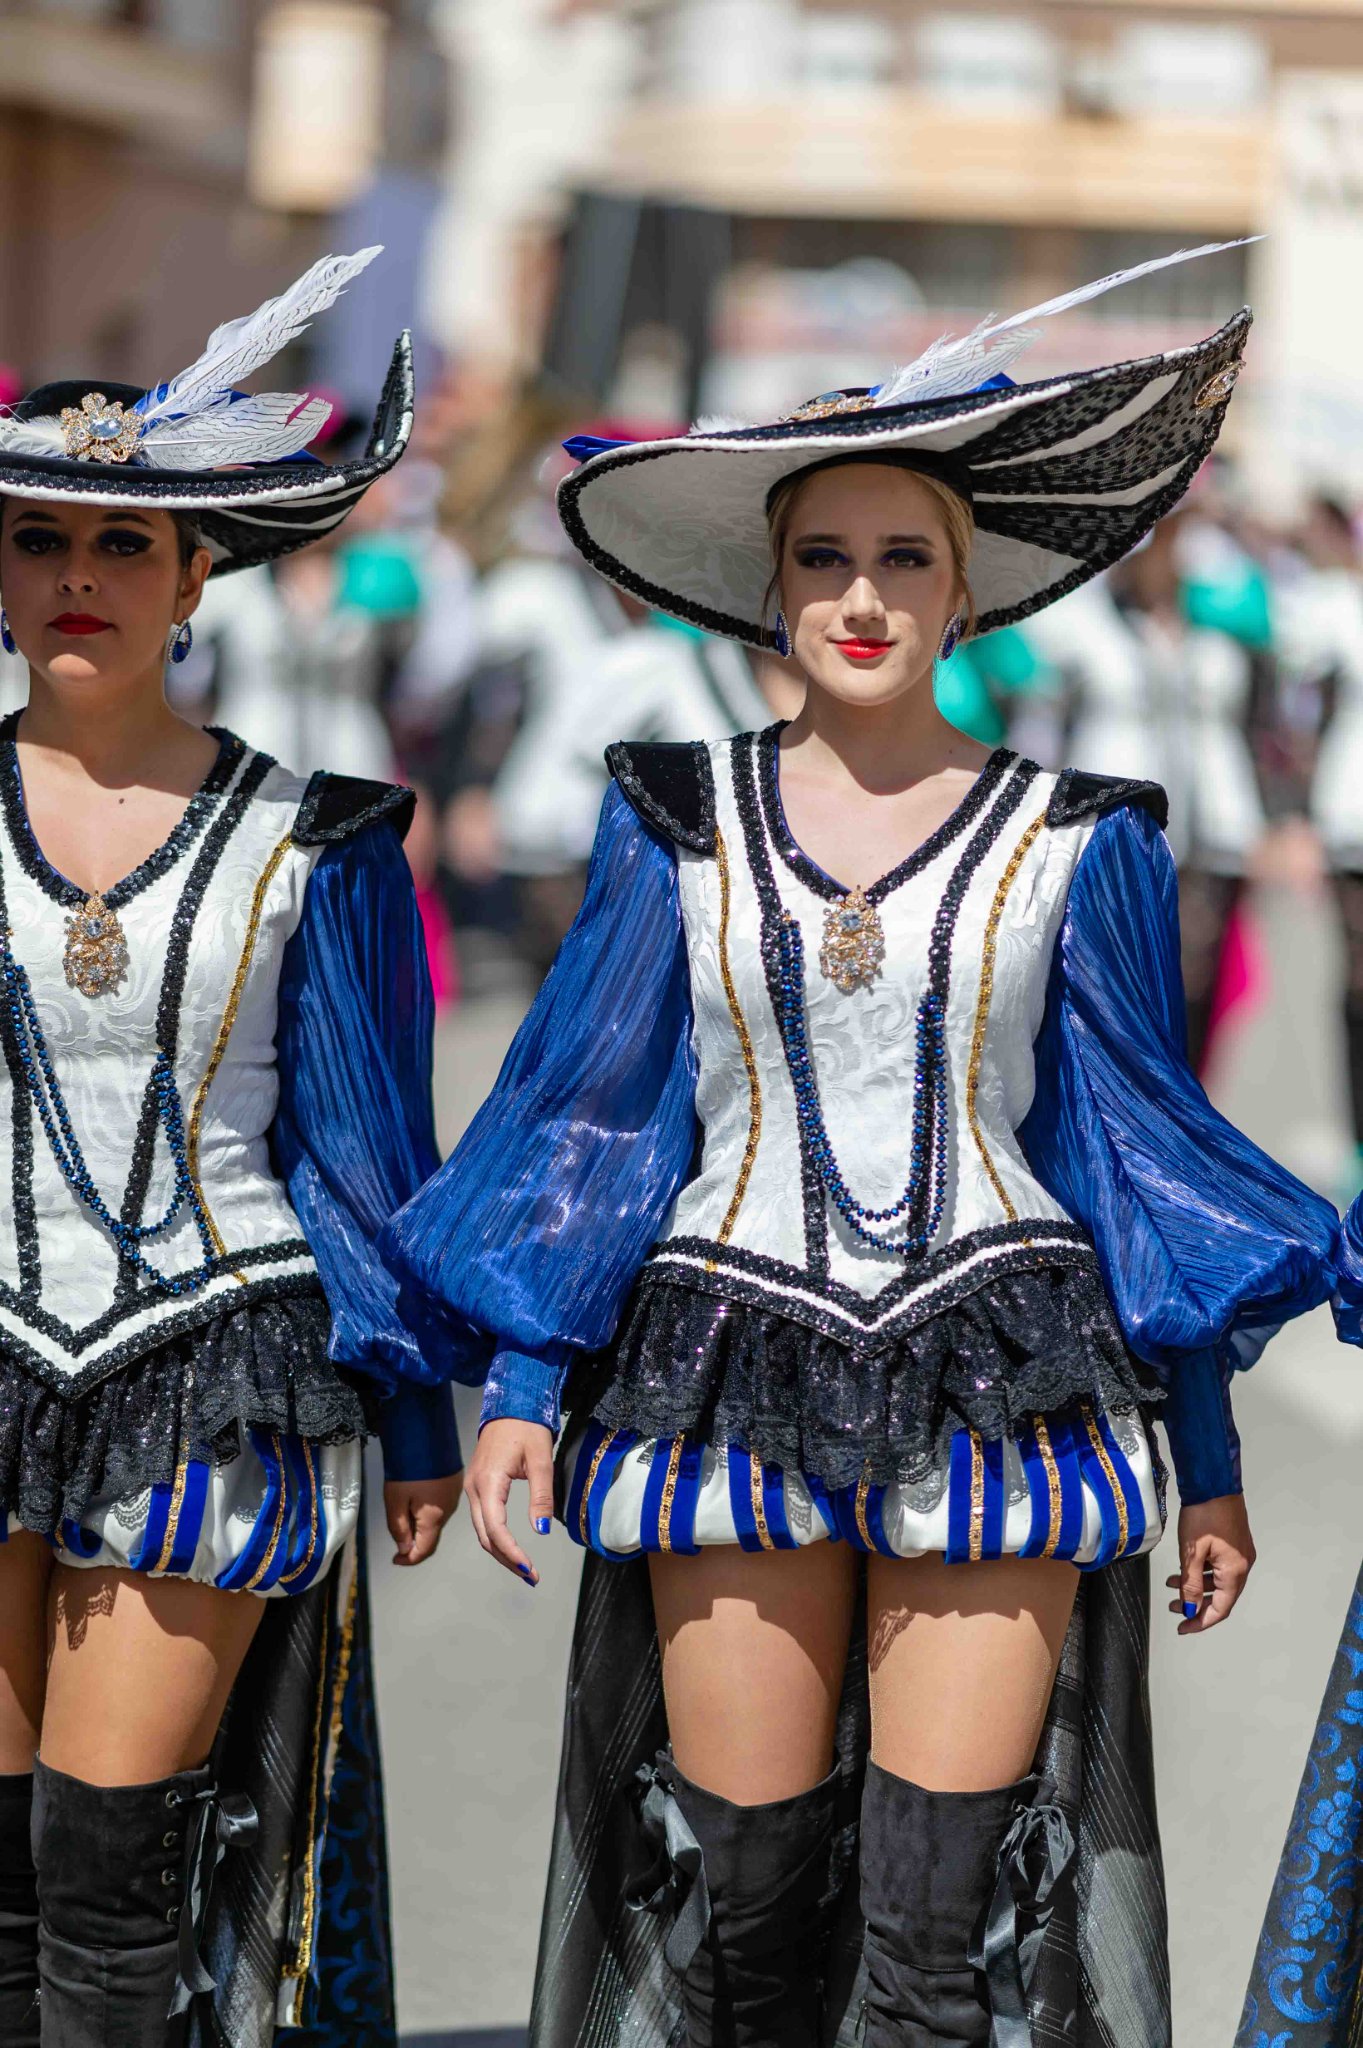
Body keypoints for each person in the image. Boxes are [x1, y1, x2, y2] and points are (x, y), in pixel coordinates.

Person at [386, 248, 1358, 2048]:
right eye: (823, 556)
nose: (860, 594)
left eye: (905, 556)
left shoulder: (1080, 835)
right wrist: (520, 1380)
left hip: (1004, 1369)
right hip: (719, 1363)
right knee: (746, 1923)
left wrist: (1208, 1450)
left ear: (967, 587)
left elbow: (1126, 1151)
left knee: (935, 1938)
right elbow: (601, 1116)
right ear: (770, 587)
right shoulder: (671, 817)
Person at [0, 249, 462, 2047]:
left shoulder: (314, 837)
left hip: (215, 1360)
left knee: (114, 1884)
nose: (79, 577)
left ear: (198, 573)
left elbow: (368, 1145)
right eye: (40, 540)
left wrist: (416, 1418)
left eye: (124, 545)